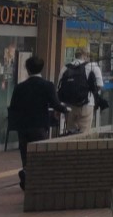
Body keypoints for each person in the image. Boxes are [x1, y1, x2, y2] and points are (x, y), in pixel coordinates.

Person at [8, 56, 70, 190]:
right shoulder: (47, 85)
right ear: (41, 68)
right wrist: (65, 109)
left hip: (23, 126)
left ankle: (25, 172)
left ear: (27, 69)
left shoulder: (19, 87)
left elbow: (13, 106)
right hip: (39, 125)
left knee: (25, 153)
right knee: (39, 153)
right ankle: (36, 180)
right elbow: (55, 104)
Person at [57, 50, 102, 136]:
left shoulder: (65, 68)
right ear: (85, 56)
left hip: (69, 105)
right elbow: (99, 85)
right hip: (86, 104)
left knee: (70, 133)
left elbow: (59, 87)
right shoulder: (93, 67)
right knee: (84, 134)